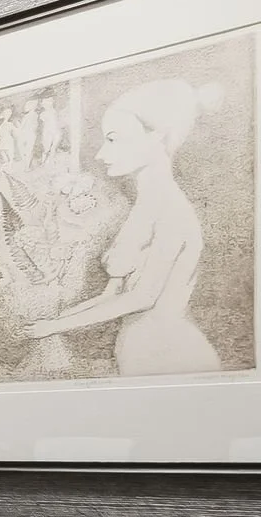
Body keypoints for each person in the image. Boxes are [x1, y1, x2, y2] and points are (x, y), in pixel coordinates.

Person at [23, 78, 223, 376]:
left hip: (172, 356)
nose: (101, 154)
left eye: (113, 139)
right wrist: (53, 321)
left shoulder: (171, 211)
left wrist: (54, 327)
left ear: (157, 136)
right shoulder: (144, 207)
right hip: (134, 352)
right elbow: (112, 296)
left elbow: (142, 298)